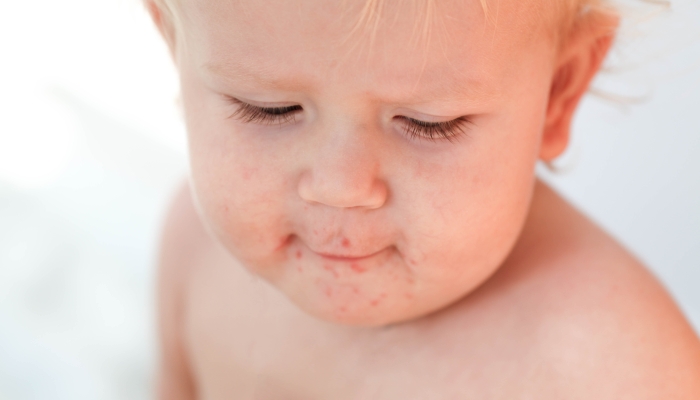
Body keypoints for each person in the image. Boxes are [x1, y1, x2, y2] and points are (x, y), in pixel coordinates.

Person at [144, 0, 700, 397]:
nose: (341, 187)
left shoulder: (616, 372)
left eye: (427, 123)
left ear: (560, 90)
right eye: (268, 108)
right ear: (174, 49)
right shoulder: (195, 246)